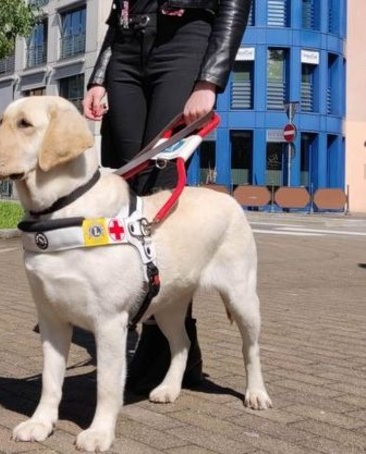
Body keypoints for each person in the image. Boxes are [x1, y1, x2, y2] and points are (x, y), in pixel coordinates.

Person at [82, 0, 251, 394]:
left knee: (158, 192)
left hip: (185, 41)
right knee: (123, 193)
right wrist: (98, 77)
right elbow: (117, 12)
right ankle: (180, 346)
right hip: (126, 48)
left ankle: (161, 344)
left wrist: (209, 79)